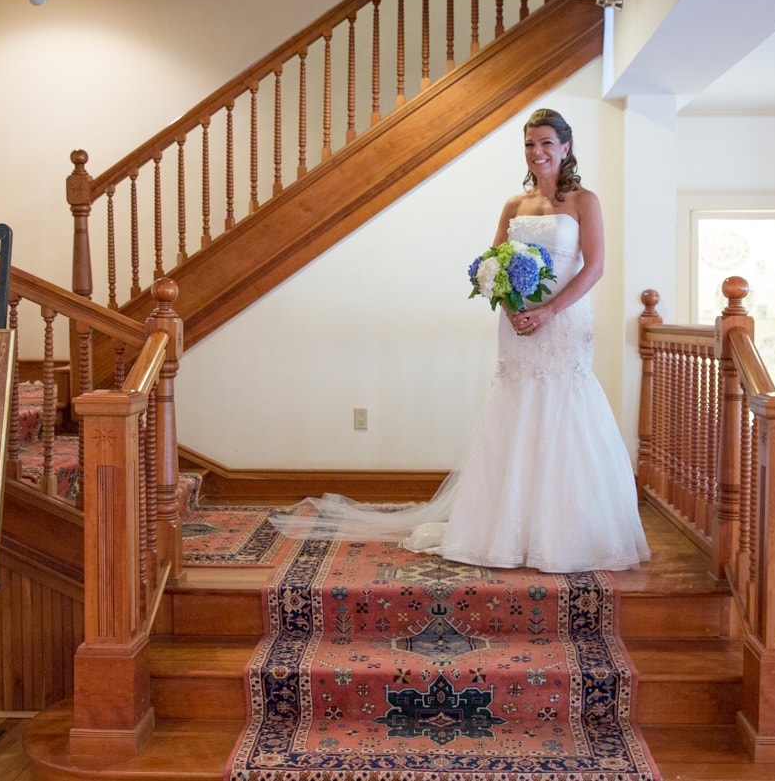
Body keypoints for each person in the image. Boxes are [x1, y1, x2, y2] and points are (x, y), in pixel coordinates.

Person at [271, 108, 650, 573]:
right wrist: (512, 309)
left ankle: (560, 533)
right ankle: (502, 530)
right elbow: (492, 264)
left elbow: (595, 266)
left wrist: (550, 310)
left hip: (564, 322)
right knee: (516, 407)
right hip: (518, 327)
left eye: (547, 143)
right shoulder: (515, 205)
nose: (538, 152)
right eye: (530, 144)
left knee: (563, 406)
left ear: (566, 148)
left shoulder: (584, 201)